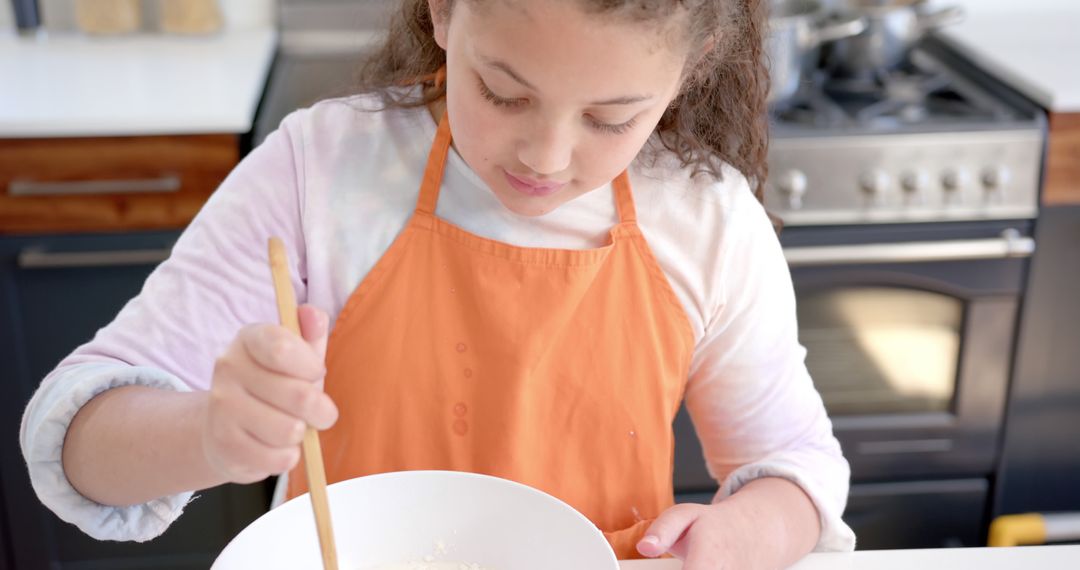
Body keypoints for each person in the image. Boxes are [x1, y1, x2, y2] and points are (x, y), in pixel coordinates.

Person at [20, 0, 856, 567]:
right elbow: (75, 444)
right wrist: (210, 432)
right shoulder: (320, 170)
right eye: (503, 91)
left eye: (611, 119)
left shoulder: (708, 222)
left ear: (693, 66)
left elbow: (796, 468)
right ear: (445, 10)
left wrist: (741, 535)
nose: (547, 158)